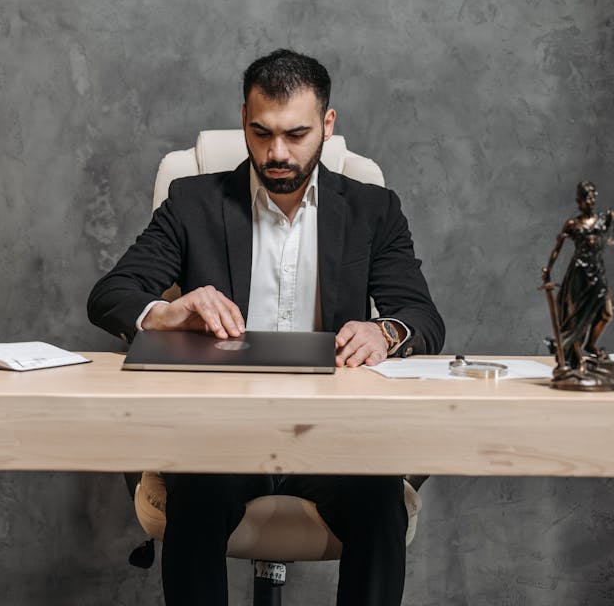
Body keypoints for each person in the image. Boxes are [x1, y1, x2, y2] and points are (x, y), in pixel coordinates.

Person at [87, 49, 445, 606]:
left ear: (328, 124)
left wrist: (386, 332)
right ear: (244, 121)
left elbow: (422, 317)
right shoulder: (193, 203)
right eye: (261, 133)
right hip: (222, 432)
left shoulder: (374, 209)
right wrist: (167, 311)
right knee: (198, 497)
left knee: (378, 501)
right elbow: (110, 295)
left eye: (296, 134)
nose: (276, 152)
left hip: (330, 434)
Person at [540, 180, 614, 378]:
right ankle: (577, 358)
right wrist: (548, 268)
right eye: (587, 197)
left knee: (606, 313)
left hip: (597, 272)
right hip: (579, 274)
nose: (591, 200)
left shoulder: (601, 219)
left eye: (593, 196)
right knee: (578, 319)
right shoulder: (573, 224)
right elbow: (558, 248)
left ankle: (591, 344)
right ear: (579, 201)